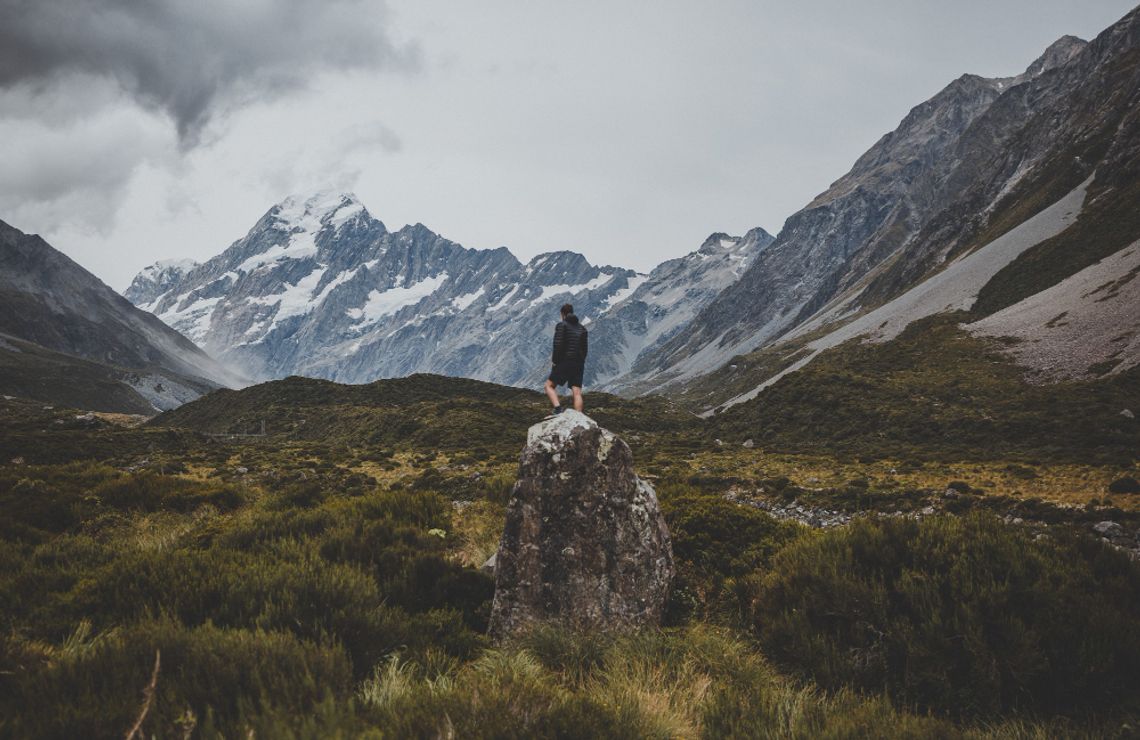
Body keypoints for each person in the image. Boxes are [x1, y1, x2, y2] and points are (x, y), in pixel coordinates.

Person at [545, 303, 588, 415]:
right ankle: (579, 416)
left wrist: (555, 361)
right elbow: (585, 349)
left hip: (565, 361)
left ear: (562, 314)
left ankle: (558, 408)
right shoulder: (582, 329)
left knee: (549, 386)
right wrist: (581, 360)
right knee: (577, 392)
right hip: (578, 363)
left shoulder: (562, 325)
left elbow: (558, 345)